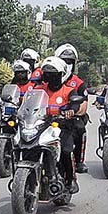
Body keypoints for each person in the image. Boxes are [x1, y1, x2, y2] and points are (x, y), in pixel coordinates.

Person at [34, 56, 88, 194]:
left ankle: (70, 180)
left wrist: (71, 110)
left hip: (63, 126)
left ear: (61, 75)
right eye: (48, 75)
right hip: (41, 125)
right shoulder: (39, 89)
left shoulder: (69, 90)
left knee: (65, 151)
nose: (50, 78)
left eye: (54, 75)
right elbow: (29, 102)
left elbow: (75, 103)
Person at [54, 43, 89, 174]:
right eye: (64, 61)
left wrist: (72, 112)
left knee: (80, 128)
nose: (67, 64)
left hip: (71, 118)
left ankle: (79, 161)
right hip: (50, 117)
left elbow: (84, 105)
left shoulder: (78, 83)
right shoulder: (47, 80)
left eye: (70, 61)